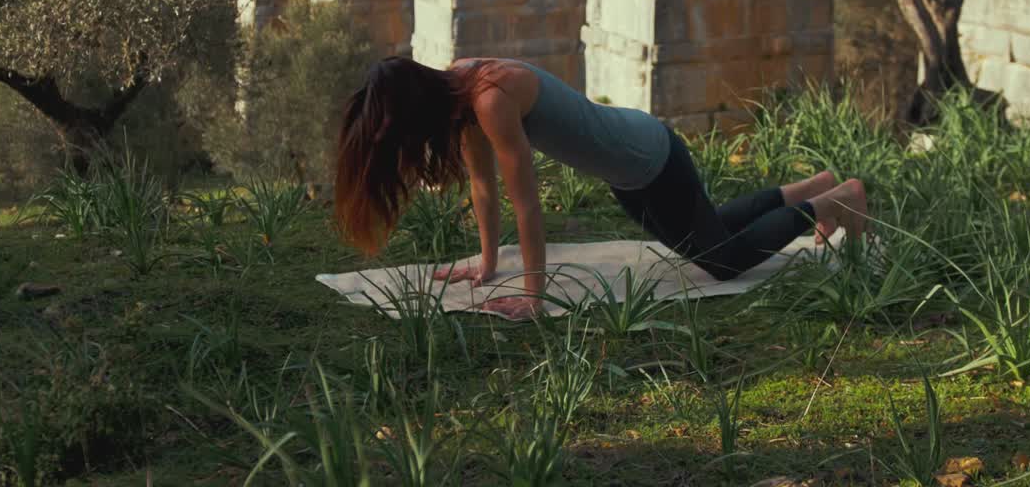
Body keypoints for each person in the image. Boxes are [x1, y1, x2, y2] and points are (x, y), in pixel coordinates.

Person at [333, 56, 868, 319]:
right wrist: (487, 264)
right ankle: (811, 188)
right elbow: (484, 187)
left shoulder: (490, 99)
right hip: (629, 170)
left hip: (649, 158)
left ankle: (834, 201)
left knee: (722, 262)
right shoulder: (461, 92)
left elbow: (526, 203)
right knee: (708, 236)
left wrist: (535, 295)